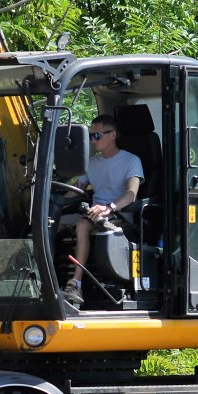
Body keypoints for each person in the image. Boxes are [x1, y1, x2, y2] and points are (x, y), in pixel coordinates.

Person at [58, 114, 144, 306]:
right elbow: (76, 189)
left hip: (120, 213)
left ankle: (75, 284)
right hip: (93, 212)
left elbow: (131, 194)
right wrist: (55, 201)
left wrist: (109, 208)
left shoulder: (131, 161)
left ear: (112, 135)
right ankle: (45, 279)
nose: (91, 140)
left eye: (96, 136)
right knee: (51, 222)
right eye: (90, 136)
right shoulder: (91, 162)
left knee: (81, 226)